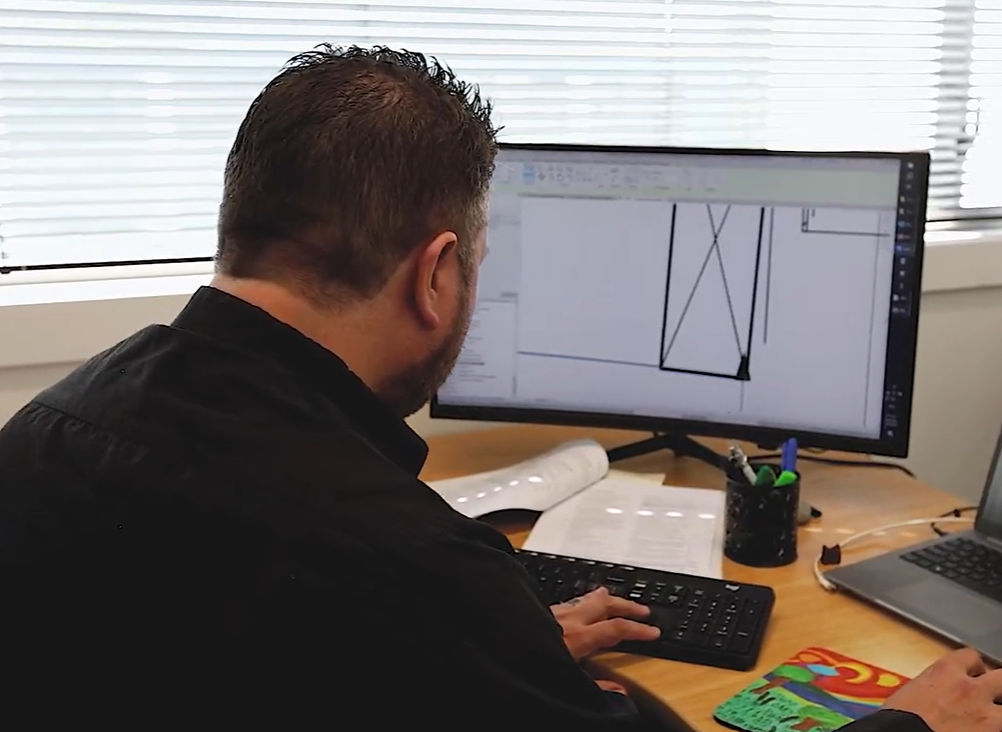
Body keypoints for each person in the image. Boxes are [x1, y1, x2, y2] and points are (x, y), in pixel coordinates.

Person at [0, 44, 998, 731]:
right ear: (436, 275)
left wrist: (499, 648)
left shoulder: (53, 425)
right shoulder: (400, 556)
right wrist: (909, 718)